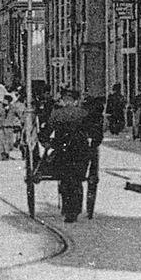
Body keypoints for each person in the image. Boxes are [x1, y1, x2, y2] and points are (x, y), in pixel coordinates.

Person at [40, 87, 102, 222]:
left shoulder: (56, 114)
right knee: (77, 180)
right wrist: (93, 145)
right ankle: (74, 210)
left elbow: (46, 132)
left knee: (65, 179)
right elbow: (95, 133)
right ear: (76, 101)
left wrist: (46, 142)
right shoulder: (84, 113)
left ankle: (67, 209)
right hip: (81, 151)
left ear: (63, 100)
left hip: (62, 151)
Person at [0, 92, 27, 161]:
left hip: (9, 126)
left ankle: (7, 153)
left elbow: (19, 115)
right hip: (0, 126)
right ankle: (2, 154)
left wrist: (22, 120)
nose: (5, 103)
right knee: (1, 141)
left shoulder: (13, 107)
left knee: (9, 141)